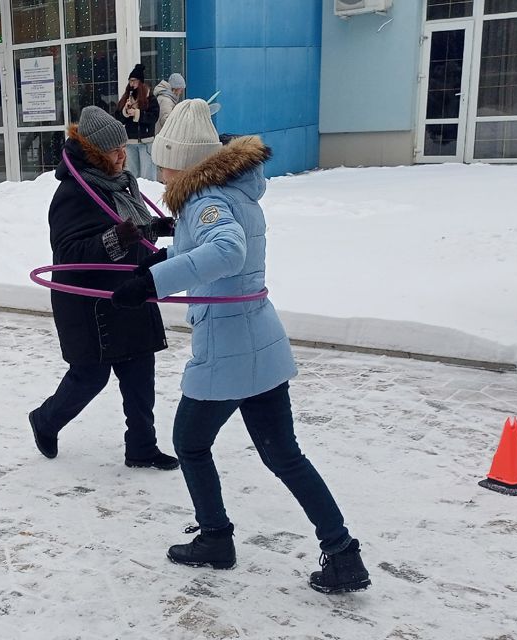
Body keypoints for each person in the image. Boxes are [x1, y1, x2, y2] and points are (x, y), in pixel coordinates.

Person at [110, 100, 371, 594]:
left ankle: (215, 539)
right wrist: (160, 256)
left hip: (228, 347)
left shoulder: (206, 200)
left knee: (189, 443)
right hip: (259, 344)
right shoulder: (231, 192)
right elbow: (207, 246)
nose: (160, 174)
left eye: (165, 163)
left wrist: (151, 285)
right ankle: (343, 554)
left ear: (184, 162)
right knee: (284, 455)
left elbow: (227, 250)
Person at [27, 105, 178, 471]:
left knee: (140, 374)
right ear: (95, 153)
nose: (122, 156)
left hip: (128, 291)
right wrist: (117, 238)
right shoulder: (73, 193)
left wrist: (157, 229)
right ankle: (45, 420)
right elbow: (68, 254)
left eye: (124, 149)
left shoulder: (121, 182)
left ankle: (141, 447)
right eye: (114, 151)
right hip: (89, 304)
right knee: (90, 377)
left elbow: (131, 227)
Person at [116, 64, 159, 182]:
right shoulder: (126, 98)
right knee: (132, 175)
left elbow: (154, 117)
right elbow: (118, 118)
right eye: (130, 81)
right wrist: (125, 111)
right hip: (130, 142)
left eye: (134, 81)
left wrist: (137, 114)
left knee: (147, 176)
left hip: (146, 142)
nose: (131, 84)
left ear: (140, 82)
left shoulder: (150, 99)